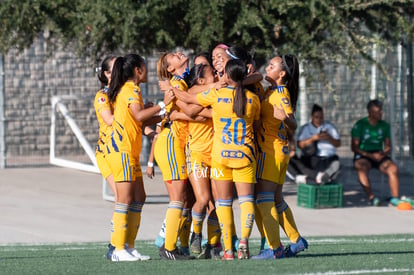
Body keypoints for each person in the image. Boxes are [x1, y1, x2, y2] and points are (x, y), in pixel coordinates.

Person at [174, 59, 261, 260]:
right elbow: (256, 126)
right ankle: (244, 243)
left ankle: (228, 250)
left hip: (221, 157)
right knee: (247, 201)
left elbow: (189, 98)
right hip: (245, 156)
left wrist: (173, 89)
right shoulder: (253, 99)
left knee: (223, 204)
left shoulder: (217, 95)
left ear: (227, 76)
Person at [106, 53, 173, 261]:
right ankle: (117, 250)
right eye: (144, 65)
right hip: (122, 151)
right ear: (137, 70)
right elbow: (139, 116)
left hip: (130, 153)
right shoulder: (131, 89)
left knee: (139, 198)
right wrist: (162, 105)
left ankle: (129, 246)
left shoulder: (132, 90)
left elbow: (140, 121)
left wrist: (163, 114)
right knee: (124, 200)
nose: (147, 68)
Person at [253, 54, 308, 260]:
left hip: (271, 151)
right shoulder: (272, 90)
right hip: (277, 151)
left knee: (263, 199)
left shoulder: (281, 93)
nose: (268, 68)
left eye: (272, 66)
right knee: (277, 199)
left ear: (282, 73)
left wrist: (284, 118)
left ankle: (274, 248)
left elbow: (292, 122)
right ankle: (296, 240)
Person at [155, 51, 195, 260]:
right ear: (171, 68)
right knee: (178, 198)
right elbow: (190, 111)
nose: (180, 53)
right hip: (171, 142)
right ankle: (168, 247)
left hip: (173, 143)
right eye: (175, 56)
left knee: (182, 199)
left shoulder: (180, 83)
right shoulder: (177, 85)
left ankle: (172, 244)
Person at [351, 99, 401, 206]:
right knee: (361, 166)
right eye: (378, 111)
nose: (381, 113)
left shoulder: (384, 126)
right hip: (364, 154)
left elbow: (388, 146)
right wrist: (369, 155)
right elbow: (354, 147)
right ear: (370, 112)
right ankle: (372, 197)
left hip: (378, 154)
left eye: (381, 111)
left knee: (393, 168)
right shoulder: (360, 125)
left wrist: (382, 154)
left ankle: (395, 198)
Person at [94, 55, 117, 259]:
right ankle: (115, 245)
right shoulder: (103, 96)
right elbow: (109, 119)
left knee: (135, 198)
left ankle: (125, 244)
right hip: (107, 153)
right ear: (107, 74)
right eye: (116, 67)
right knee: (122, 196)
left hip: (124, 152)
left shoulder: (125, 92)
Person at [292, 104, 341, 184]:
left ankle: (325, 176)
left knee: (336, 164)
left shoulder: (330, 127)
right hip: (313, 159)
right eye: (316, 117)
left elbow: (338, 143)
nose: (319, 120)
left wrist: (329, 138)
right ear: (312, 117)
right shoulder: (306, 128)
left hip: (329, 158)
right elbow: (300, 145)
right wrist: (313, 139)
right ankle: (321, 177)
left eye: (321, 117)